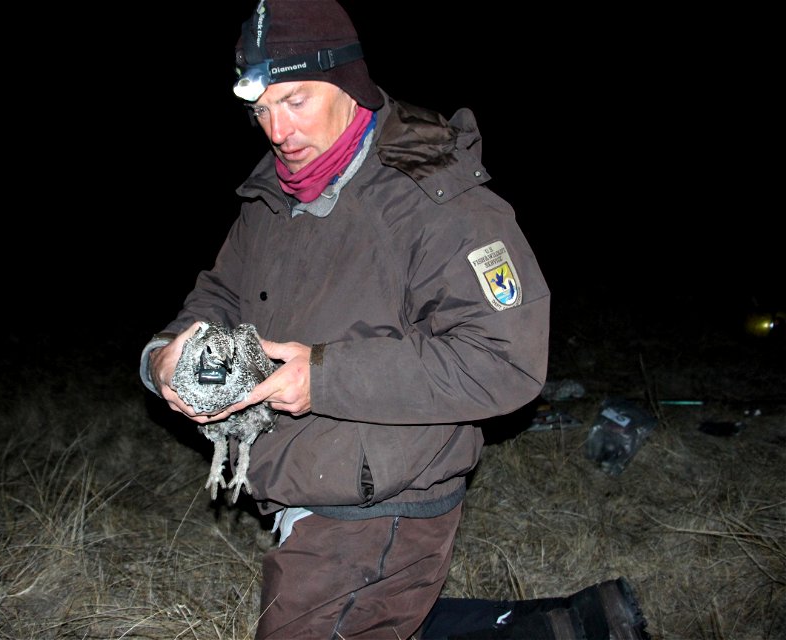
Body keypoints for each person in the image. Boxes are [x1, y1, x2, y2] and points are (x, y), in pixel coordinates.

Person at [140, 1, 552, 637]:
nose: (277, 130)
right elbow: (221, 294)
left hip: (384, 508)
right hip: (303, 485)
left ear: (348, 82)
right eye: (261, 110)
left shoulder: (437, 199)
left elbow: (505, 362)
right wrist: (166, 354)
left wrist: (323, 377)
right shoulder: (277, 193)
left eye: (296, 100)